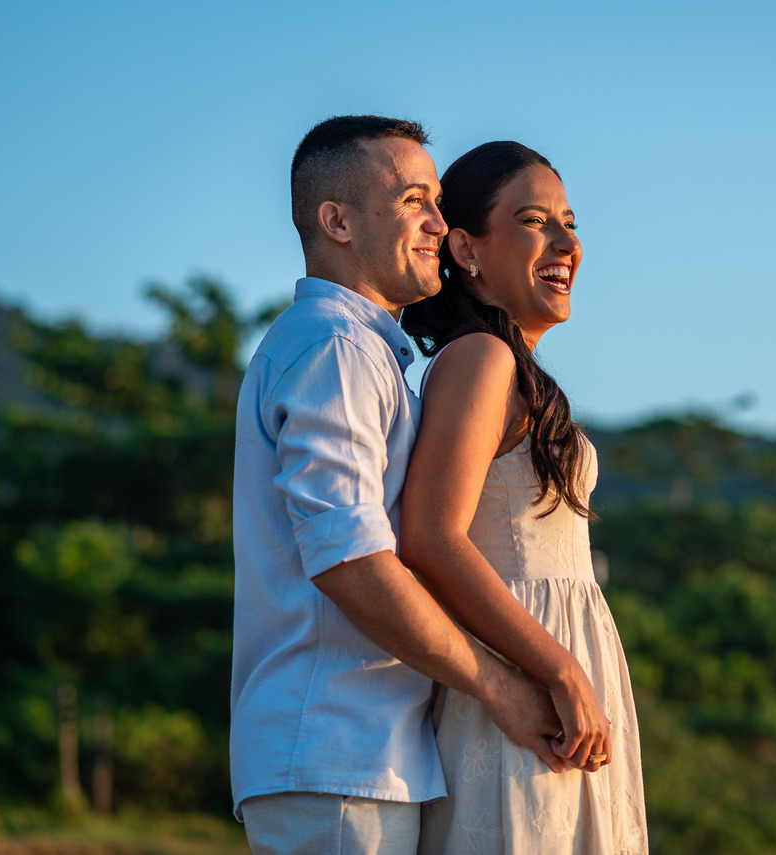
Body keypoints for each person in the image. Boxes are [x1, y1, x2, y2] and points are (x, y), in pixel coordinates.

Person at [231, 117, 570, 854]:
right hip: (337, 752)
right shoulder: (335, 346)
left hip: (359, 754)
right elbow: (349, 558)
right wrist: (499, 683)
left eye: (438, 201)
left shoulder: (361, 352)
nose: (438, 224)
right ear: (338, 221)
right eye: (415, 199)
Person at [399, 141, 648, 854]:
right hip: (524, 686)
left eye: (570, 222)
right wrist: (561, 669)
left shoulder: (513, 366)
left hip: (552, 687)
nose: (566, 243)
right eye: (535, 221)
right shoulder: (481, 358)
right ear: (468, 249)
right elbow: (431, 539)